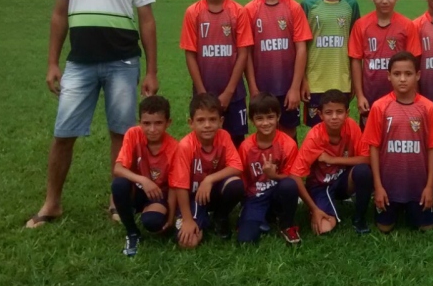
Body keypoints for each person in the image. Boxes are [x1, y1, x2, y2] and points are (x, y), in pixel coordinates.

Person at [27, 0, 158, 228]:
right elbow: (59, 16)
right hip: (80, 62)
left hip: (123, 62)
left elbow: (147, 19)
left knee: (121, 133)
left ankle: (117, 201)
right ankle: (52, 203)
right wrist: (53, 62)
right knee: (63, 133)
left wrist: (152, 70)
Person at [361, 51, 433, 232]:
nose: (403, 79)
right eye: (397, 74)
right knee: (384, 227)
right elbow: (373, 148)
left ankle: (417, 202)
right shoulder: (380, 106)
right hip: (388, 186)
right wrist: (378, 187)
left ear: (418, 75)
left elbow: (432, 148)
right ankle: (392, 202)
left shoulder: (428, 107)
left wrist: (430, 186)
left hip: (419, 185)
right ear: (389, 76)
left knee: (426, 228)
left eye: (408, 74)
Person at [180, 0, 253, 147]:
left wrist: (228, 92)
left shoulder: (239, 12)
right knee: (205, 142)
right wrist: (202, 94)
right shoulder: (193, 12)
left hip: (234, 94)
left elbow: (243, 53)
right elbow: (190, 54)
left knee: (235, 141)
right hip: (203, 92)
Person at [243, 0, 312, 142]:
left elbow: (301, 49)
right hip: (262, 88)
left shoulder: (294, 8)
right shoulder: (249, 10)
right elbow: (246, 53)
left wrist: (295, 87)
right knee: (264, 131)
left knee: (288, 132)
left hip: (288, 86)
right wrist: (253, 88)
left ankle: (289, 172)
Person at [288, 89, 373, 235]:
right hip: (320, 186)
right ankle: (318, 208)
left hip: (342, 181)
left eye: (339, 112)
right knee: (325, 228)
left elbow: (367, 158)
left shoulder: (352, 127)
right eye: (328, 113)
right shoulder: (314, 137)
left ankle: (359, 218)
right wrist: (314, 209)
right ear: (320, 115)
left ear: (347, 113)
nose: (334, 117)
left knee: (363, 170)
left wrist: (332, 159)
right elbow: (295, 175)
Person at [169, 93, 244, 249]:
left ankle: (220, 217)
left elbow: (237, 166)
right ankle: (196, 219)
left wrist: (209, 179)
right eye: (201, 120)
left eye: (212, 119)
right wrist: (188, 220)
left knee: (236, 184)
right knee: (188, 243)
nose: (207, 125)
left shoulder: (223, 137)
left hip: (212, 191)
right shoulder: (185, 146)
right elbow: (180, 185)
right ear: (191, 123)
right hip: (193, 197)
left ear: (221, 121)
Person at [348, 0, 421, 127]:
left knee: (397, 137)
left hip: (400, 96)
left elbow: (413, 63)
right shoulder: (361, 25)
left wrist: (413, 94)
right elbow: (356, 61)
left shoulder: (407, 26)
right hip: (370, 97)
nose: (385, 1)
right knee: (370, 143)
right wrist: (360, 95)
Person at [111, 96, 178, 256]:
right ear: (139, 122)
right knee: (119, 185)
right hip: (138, 189)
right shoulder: (133, 134)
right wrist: (143, 180)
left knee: (152, 222)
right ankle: (132, 233)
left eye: (158, 123)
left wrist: (170, 217)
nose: (152, 129)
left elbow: (176, 186)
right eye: (147, 123)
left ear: (168, 123)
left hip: (158, 195)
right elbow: (118, 168)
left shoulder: (175, 148)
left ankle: (153, 213)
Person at [300, 0, 360, 127]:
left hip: (342, 82)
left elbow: (355, 47)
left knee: (339, 130)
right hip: (315, 82)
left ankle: (338, 157)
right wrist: (303, 81)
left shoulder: (351, 4)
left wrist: (355, 83)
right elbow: (301, 46)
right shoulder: (308, 4)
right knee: (315, 132)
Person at [237, 93, 302, 245]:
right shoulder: (246, 147)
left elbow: (292, 178)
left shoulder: (288, 144)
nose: (265, 123)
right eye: (260, 118)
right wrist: (247, 206)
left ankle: (287, 224)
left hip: (278, 193)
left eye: (270, 117)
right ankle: (260, 217)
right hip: (256, 196)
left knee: (289, 185)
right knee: (245, 241)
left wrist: (273, 176)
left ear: (278, 117)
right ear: (252, 120)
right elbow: (243, 178)